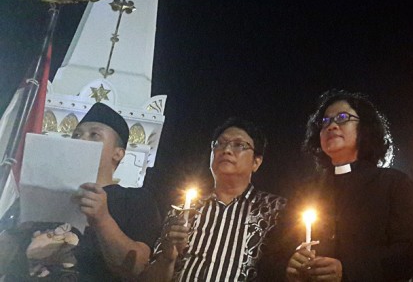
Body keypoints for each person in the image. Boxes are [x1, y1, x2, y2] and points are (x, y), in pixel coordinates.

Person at [0, 102, 162, 280]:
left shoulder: (134, 200)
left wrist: (102, 219)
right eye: (76, 135)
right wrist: (17, 230)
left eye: (94, 135)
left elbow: (137, 268)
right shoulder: (43, 194)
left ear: (118, 153)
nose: (82, 140)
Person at [278, 90, 413, 281]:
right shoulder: (305, 191)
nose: (332, 126)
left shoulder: (394, 183)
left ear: (364, 128)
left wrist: (348, 270)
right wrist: (289, 264)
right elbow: (279, 247)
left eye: (342, 117)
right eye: (325, 121)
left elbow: (411, 253)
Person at [143, 117, 286, 281]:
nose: (226, 150)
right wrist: (167, 257)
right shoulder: (184, 210)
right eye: (219, 143)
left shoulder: (275, 210)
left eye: (239, 145)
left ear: (256, 162)